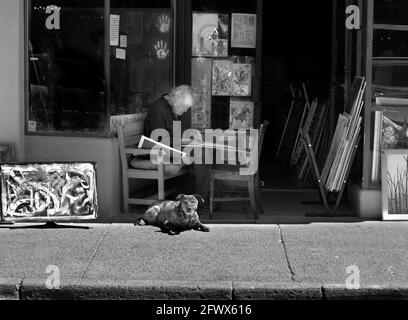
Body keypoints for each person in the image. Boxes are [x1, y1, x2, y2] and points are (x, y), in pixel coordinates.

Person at [135, 85, 210, 199]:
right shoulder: (158, 109)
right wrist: (186, 141)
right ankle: (202, 197)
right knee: (200, 152)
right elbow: (159, 140)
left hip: (168, 149)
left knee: (202, 150)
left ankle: (195, 195)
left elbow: (173, 134)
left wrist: (191, 134)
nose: (185, 110)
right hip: (155, 152)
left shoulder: (172, 107)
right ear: (177, 100)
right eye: (185, 106)